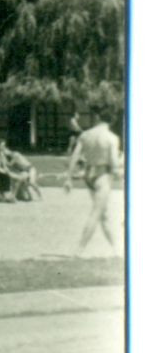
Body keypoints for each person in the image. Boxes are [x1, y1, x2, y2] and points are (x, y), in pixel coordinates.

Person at [66, 109, 122, 254]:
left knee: (104, 214)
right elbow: (114, 164)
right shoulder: (111, 138)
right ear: (111, 121)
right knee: (97, 213)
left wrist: (68, 178)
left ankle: (117, 249)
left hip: (89, 175)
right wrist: (120, 172)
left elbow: (74, 156)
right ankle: (79, 249)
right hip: (102, 175)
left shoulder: (85, 135)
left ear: (98, 118)